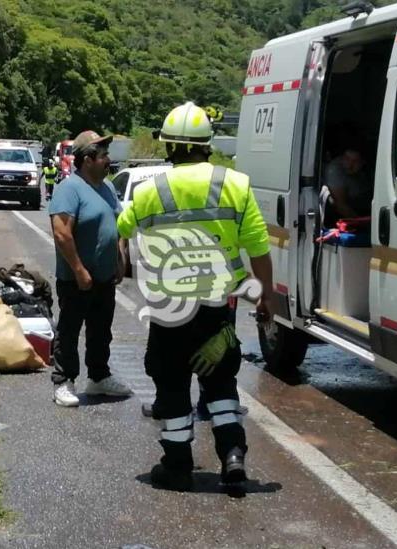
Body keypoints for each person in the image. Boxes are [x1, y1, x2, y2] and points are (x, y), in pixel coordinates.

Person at [117, 102, 274, 491]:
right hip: (217, 311)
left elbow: (122, 236)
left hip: (169, 311)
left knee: (171, 386)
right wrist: (265, 297)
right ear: (208, 144)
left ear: (169, 146)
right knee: (220, 383)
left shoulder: (148, 188)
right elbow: (258, 248)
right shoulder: (235, 185)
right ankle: (233, 456)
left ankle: (177, 465)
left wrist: (125, 268)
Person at [49, 130, 132, 407]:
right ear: (87, 160)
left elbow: (118, 224)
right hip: (77, 279)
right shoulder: (69, 189)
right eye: (103, 155)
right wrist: (79, 269)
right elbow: (62, 232)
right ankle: (64, 381)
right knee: (70, 330)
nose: (108, 160)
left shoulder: (106, 188)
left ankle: (98, 377)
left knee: (101, 330)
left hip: (104, 276)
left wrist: (120, 257)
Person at [323, 146, 372, 223]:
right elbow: (341, 205)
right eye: (347, 159)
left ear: (363, 162)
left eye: (355, 161)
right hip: (342, 217)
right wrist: (365, 224)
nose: (349, 165)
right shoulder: (334, 170)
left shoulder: (368, 171)